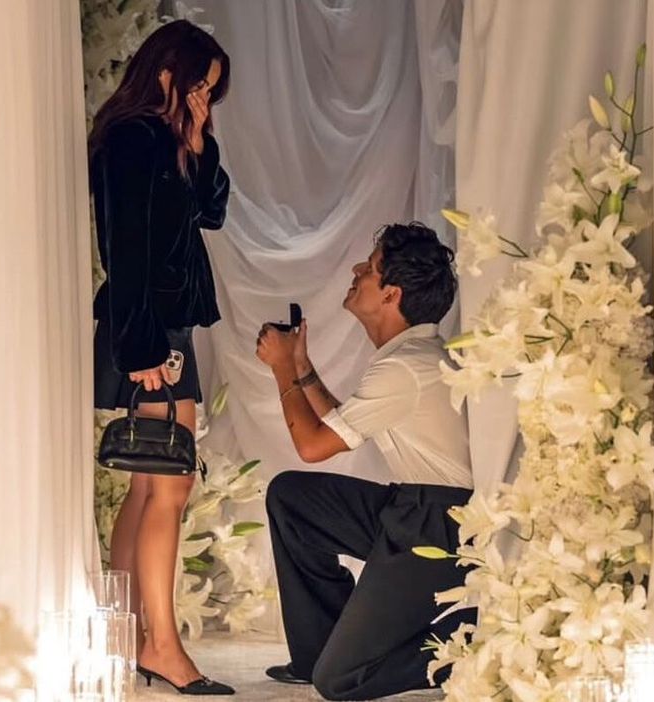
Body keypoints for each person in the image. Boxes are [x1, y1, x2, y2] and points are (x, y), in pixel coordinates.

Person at [255, 222, 475, 700]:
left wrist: (281, 369)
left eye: (370, 268)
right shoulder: (410, 356)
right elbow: (340, 425)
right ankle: (316, 652)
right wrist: (300, 366)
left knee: (342, 681)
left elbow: (313, 446)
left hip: (439, 529)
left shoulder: (405, 367)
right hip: (413, 507)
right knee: (292, 497)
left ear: (391, 294)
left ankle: (470, 645)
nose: (357, 271)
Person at [89, 19, 234, 696]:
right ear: (168, 72)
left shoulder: (167, 138)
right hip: (152, 333)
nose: (204, 99)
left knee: (152, 486)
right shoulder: (133, 137)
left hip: (163, 328)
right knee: (168, 487)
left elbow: (211, 214)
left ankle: (129, 639)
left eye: (212, 92)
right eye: (200, 85)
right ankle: (162, 647)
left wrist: (199, 142)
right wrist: (143, 344)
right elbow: (125, 247)